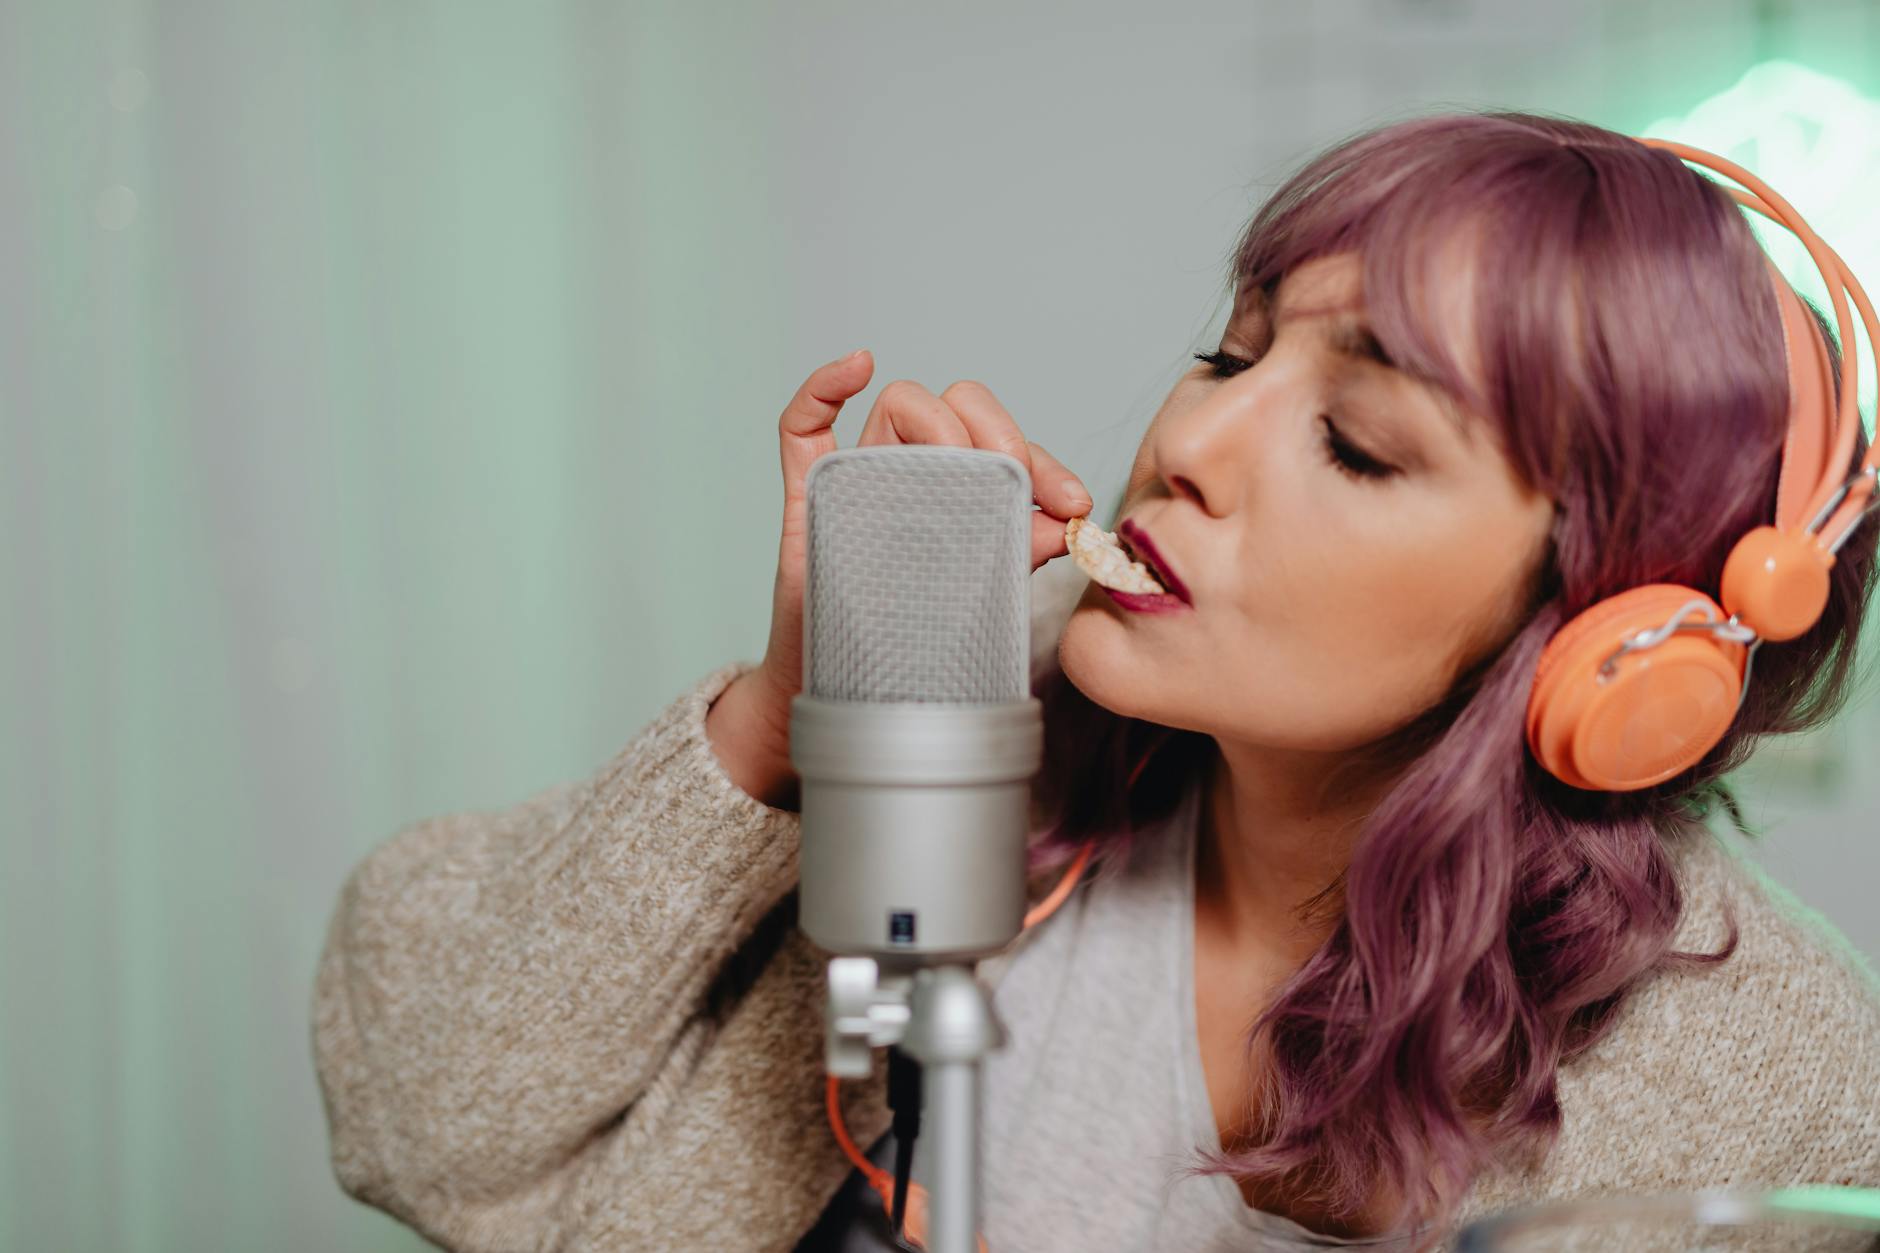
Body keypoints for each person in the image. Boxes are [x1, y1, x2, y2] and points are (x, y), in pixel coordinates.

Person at [311, 110, 1880, 1252]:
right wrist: (792, 725)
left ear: (1613, 641)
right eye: (1229, 355)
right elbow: (420, 1114)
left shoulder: (1779, 1088)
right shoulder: (959, 769)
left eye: (1356, 442)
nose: (1187, 444)